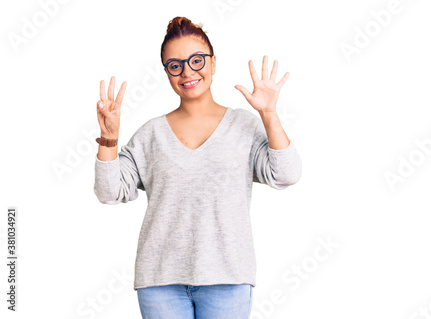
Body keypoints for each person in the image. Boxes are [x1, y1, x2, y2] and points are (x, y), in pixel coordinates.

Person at [93, 16, 302, 319]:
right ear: (166, 72)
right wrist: (109, 138)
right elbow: (109, 192)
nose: (187, 71)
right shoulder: (150, 134)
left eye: (197, 60)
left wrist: (268, 113)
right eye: (175, 65)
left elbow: (286, 174)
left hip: (228, 279)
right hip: (160, 281)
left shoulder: (243, 126)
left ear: (213, 63)